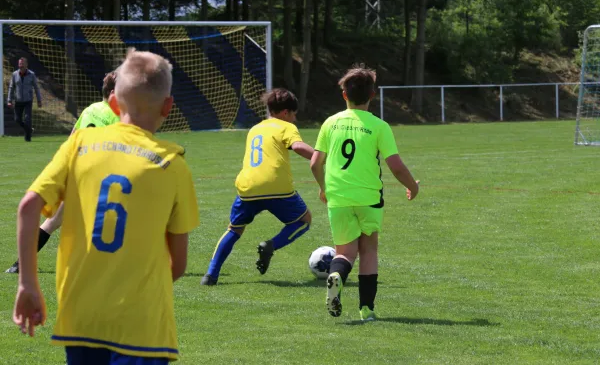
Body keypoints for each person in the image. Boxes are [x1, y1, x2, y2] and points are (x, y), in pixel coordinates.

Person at [12, 48, 199, 364]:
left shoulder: (79, 143)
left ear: (113, 102)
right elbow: (178, 265)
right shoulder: (172, 163)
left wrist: (28, 283)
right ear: (168, 106)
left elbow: (29, 206)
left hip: (81, 317)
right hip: (143, 327)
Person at [310, 64, 419, 321]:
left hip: (338, 196)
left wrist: (324, 188)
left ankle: (336, 275)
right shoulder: (379, 126)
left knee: (345, 252)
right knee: (369, 251)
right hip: (369, 197)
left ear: (344, 95)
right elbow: (395, 165)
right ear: (372, 95)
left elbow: (315, 163)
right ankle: (367, 309)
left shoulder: (330, 123)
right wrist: (412, 186)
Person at [5, 72, 121, 274]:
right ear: (113, 93)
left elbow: (72, 138)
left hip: (76, 173)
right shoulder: (117, 116)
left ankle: (20, 264)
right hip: (97, 179)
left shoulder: (90, 110)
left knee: (53, 221)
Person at [201, 88, 314, 286]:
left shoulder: (255, 128)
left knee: (234, 230)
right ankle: (271, 245)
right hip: (277, 187)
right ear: (286, 112)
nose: (294, 119)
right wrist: (323, 158)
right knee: (304, 220)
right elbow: (297, 147)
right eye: (294, 114)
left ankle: (210, 275)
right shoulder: (285, 126)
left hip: (248, 187)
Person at [7, 57, 43, 142]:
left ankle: (28, 138)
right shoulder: (14, 74)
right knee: (17, 119)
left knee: (27, 119)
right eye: (20, 64)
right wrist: (9, 100)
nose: (21, 66)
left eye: (22, 64)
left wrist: (39, 100)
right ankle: (29, 130)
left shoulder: (31, 74)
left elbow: (36, 88)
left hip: (28, 100)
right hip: (18, 101)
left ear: (26, 65)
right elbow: (11, 87)